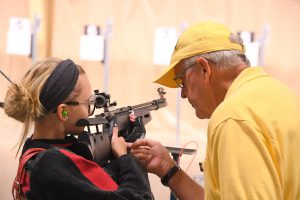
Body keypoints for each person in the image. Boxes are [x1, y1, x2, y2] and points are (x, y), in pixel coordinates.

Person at [130, 21, 300, 199]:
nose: (183, 94)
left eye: (182, 81)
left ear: (204, 69)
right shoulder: (280, 95)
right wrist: (166, 167)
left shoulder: (233, 117)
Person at [3, 58, 153, 200]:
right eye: (87, 103)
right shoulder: (50, 164)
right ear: (63, 112)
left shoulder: (36, 150)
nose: (90, 111)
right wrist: (127, 158)